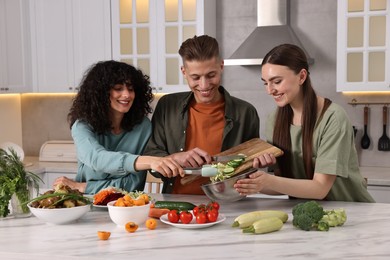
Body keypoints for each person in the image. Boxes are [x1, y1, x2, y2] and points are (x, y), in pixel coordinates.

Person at [234, 44, 374, 202]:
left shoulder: (333, 118)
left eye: (277, 81)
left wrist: (268, 180)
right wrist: (249, 182)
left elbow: (320, 188)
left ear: (301, 76)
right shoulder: (275, 120)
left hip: (352, 212)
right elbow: (285, 183)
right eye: (265, 83)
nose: (270, 90)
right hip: (308, 211)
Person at [143, 35, 260, 194]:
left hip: (227, 205)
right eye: (195, 77)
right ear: (184, 72)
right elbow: (152, 159)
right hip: (176, 207)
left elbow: (249, 165)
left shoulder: (246, 112)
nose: (204, 85)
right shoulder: (166, 106)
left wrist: (258, 165)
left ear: (221, 66)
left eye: (211, 75)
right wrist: (176, 158)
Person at [53, 60, 184, 194]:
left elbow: (133, 184)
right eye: (118, 88)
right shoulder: (82, 126)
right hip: (86, 203)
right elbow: (97, 159)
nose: (127, 95)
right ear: (101, 92)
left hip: (126, 205)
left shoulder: (142, 127)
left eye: (131, 89)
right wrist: (147, 161)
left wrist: (83, 187)